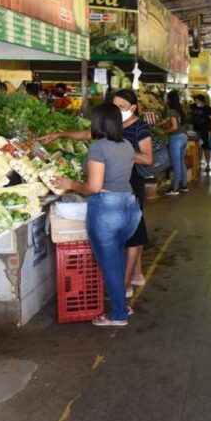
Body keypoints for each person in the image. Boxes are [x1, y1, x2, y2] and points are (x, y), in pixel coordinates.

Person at [42, 89, 153, 297]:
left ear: (133, 108)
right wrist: (61, 134)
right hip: (113, 186)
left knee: (132, 237)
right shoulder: (112, 129)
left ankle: (125, 285)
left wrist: (117, 154)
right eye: (115, 107)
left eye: (122, 107)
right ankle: (132, 277)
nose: (118, 111)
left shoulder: (139, 129)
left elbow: (148, 159)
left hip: (129, 186)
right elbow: (86, 134)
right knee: (125, 238)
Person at [53, 103, 142, 326]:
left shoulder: (98, 148)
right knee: (117, 258)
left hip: (107, 209)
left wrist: (70, 183)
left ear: (98, 123)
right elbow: (121, 176)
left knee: (110, 264)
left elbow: (94, 187)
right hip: (130, 207)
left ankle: (118, 315)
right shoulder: (127, 145)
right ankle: (122, 305)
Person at [160, 90, 189, 196]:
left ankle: (174, 188)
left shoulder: (171, 110)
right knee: (181, 163)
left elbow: (174, 126)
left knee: (176, 165)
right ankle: (184, 186)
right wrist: (158, 123)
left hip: (176, 138)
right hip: (184, 137)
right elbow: (168, 120)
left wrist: (164, 131)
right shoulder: (179, 110)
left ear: (169, 99)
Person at [191, 94, 211, 173]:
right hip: (196, 131)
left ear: (200, 101)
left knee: (206, 148)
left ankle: (208, 164)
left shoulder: (207, 109)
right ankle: (198, 163)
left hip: (205, 131)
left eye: (196, 100)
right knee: (198, 148)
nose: (195, 102)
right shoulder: (194, 107)